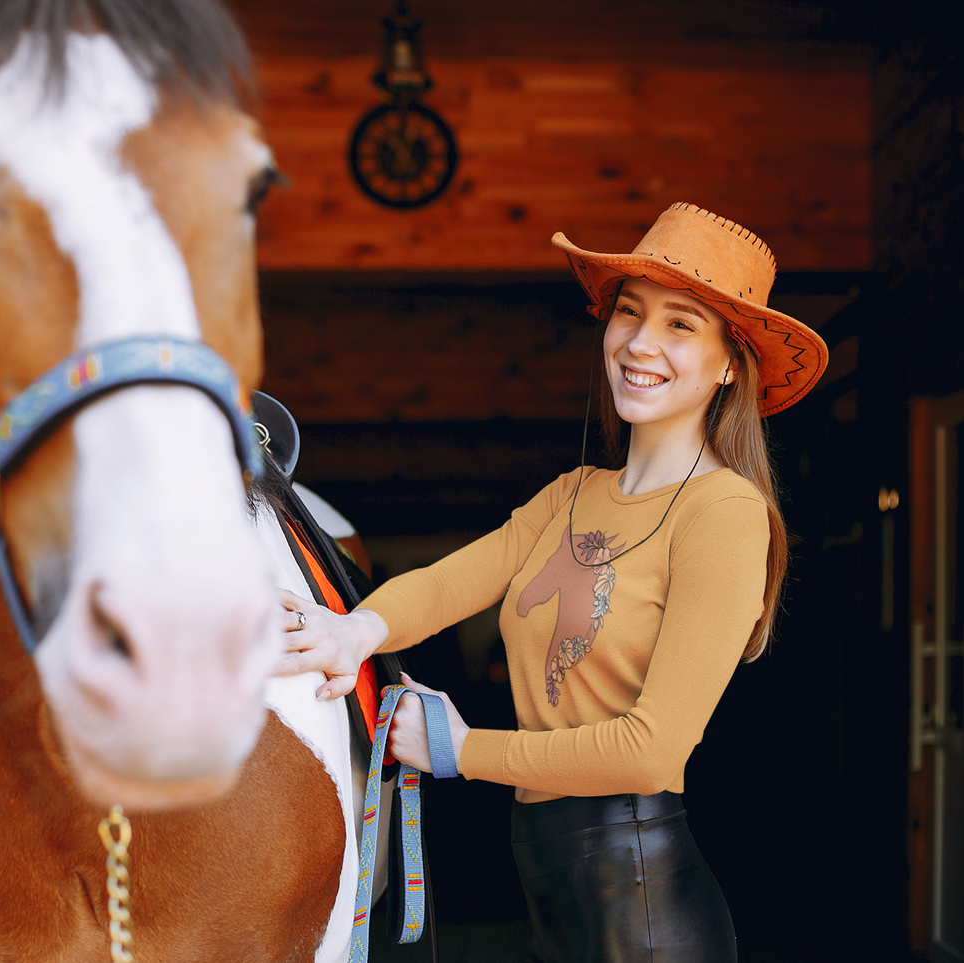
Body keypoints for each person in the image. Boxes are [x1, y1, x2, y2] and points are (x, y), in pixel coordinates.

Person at [274, 202, 829, 962]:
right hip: (554, 896)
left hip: (644, 911)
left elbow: (649, 750)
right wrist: (352, 631)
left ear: (731, 361)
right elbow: (449, 582)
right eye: (628, 313)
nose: (639, 341)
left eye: (680, 324)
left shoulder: (724, 511)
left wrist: (462, 749)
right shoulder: (571, 494)